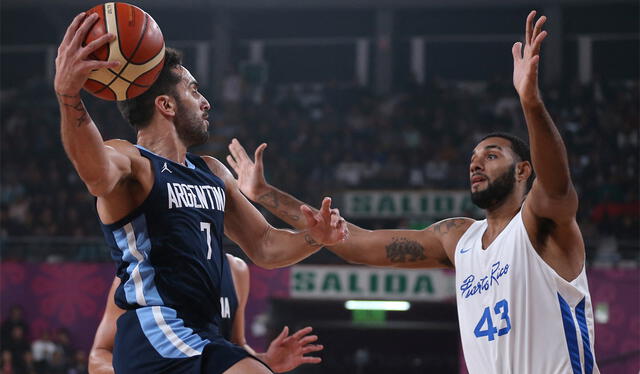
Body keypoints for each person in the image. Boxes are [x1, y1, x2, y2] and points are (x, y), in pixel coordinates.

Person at [226, 11, 599, 374]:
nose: (476, 163)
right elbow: (354, 241)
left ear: (523, 170)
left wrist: (531, 103)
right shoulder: (459, 239)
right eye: (472, 157)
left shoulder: (541, 225)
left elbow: (556, 182)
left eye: (491, 155)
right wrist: (263, 193)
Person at [54, 12, 347, 374]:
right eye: (194, 90)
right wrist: (69, 94)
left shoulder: (212, 172)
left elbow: (266, 246)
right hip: (155, 332)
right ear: (166, 105)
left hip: (201, 335)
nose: (205, 102)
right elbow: (95, 173)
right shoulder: (133, 162)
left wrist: (312, 238)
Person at [88, 254, 324, 374]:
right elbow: (97, 357)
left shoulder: (235, 269)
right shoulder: (143, 268)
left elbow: (234, 345)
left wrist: (264, 361)